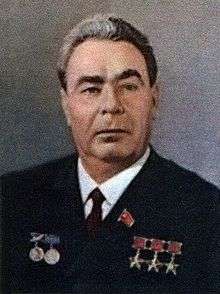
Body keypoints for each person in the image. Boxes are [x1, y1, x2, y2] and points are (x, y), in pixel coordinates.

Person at [1, 15, 219, 294]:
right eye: (91, 89)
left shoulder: (205, 212)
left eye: (128, 87)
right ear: (66, 105)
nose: (111, 106)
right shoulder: (12, 199)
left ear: (153, 99)